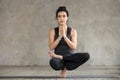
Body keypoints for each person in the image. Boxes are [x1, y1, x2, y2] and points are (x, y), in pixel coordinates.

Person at [48, 6, 90, 78]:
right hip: (58, 60)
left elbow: (74, 47)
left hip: (70, 58)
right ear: (57, 18)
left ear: (67, 17)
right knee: (53, 62)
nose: (62, 18)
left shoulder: (73, 31)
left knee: (86, 55)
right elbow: (51, 47)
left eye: (64, 16)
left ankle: (64, 61)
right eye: (59, 16)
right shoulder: (52, 31)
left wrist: (65, 37)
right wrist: (60, 36)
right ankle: (63, 64)